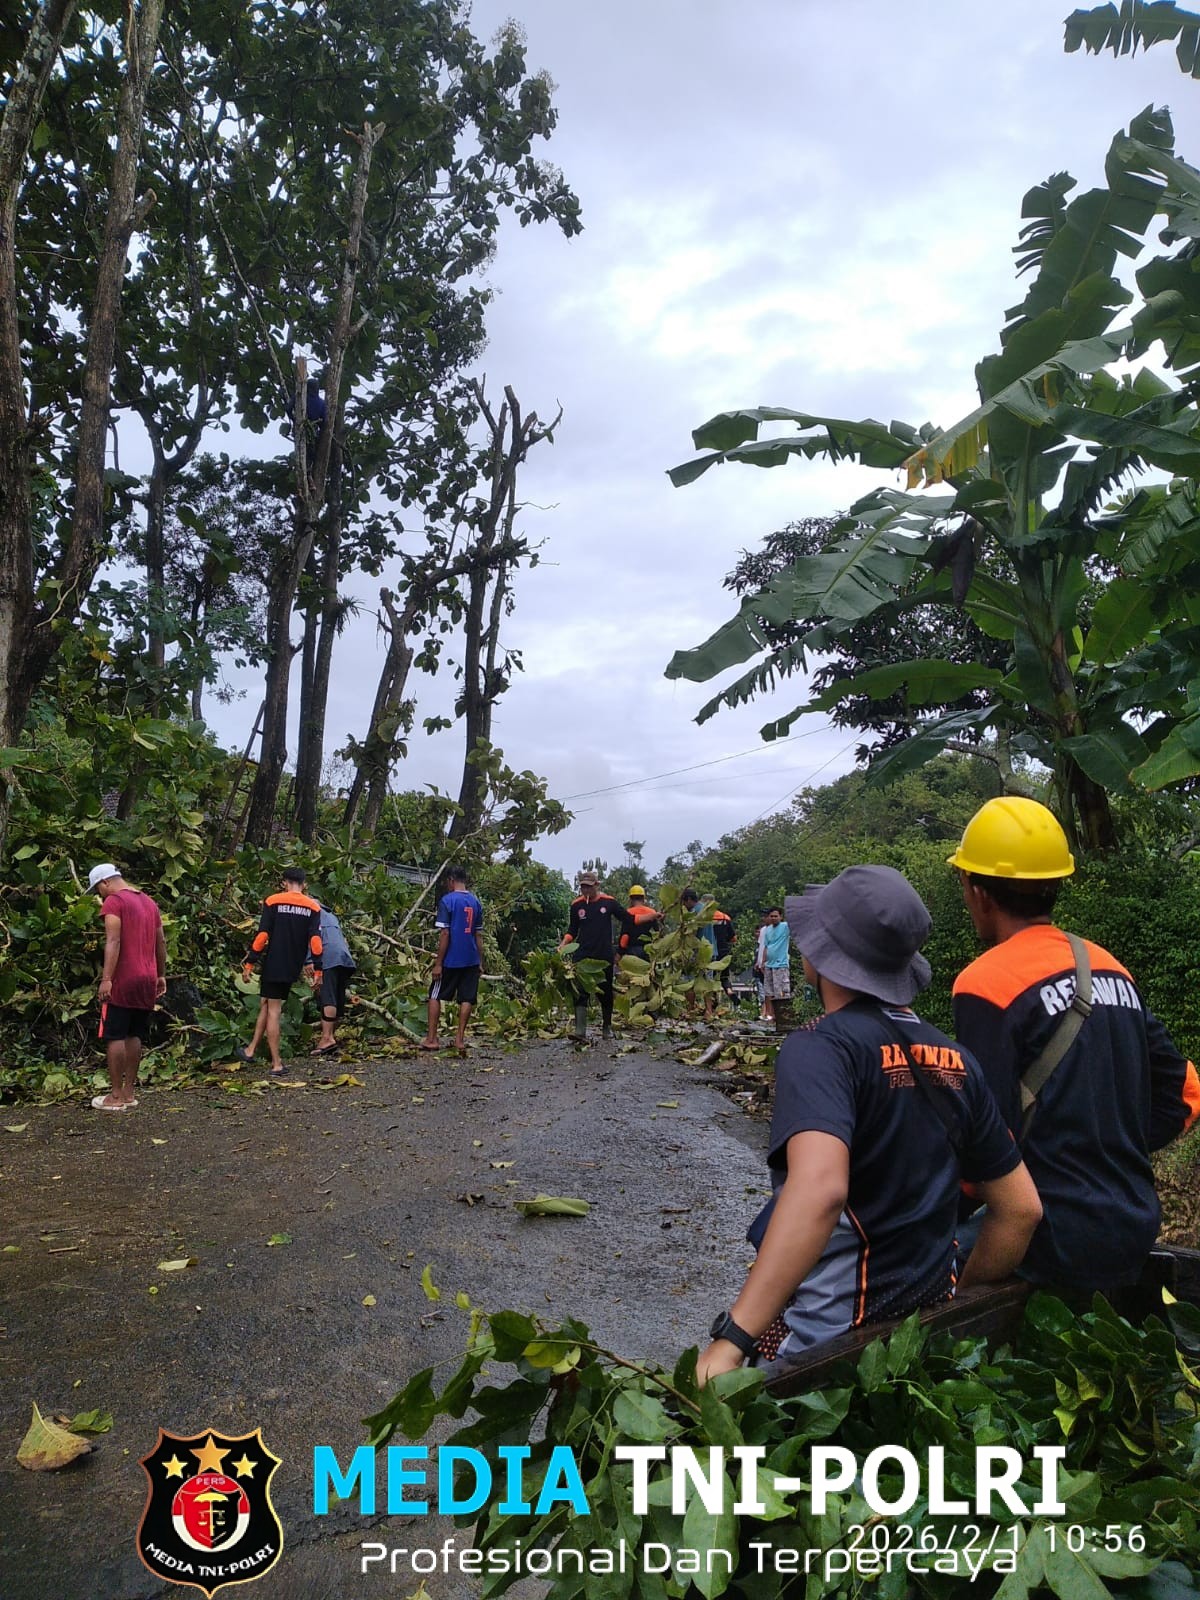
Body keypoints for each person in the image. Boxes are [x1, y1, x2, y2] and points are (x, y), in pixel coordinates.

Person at [696, 865, 1042, 1386]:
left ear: (820, 958)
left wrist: (733, 1340)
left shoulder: (820, 1048)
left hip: (830, 1348)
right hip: (911, 1347)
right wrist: (953, 1304)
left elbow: (820, 1190)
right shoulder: (956, 1060)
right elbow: (1020, 1209)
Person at [949, 796, 1200, 1294]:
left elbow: (986, 1142)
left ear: (979, 893)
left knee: (919, 1271)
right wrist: (1107, 1147)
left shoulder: (985, 983)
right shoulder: (1106, 965)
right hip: (1131, 1225)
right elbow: (1186, 1093)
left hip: (1048, 1238)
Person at [88, 863, 166, 1112]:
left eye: (97, 890)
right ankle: (129, 1092)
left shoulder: (114, 901)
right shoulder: (149, 902)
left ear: (105, 883)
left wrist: (106, 978)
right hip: (147, 976)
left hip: (124, 977)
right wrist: (161, 975)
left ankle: (115, 1096)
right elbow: (161, 941)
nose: (99, 895)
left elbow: (113, 939)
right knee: (134, 1034)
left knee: (115, 1034)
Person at [238, 867, 323, 1077]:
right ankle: (250, 1050)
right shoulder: (313, 907)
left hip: (274, 962)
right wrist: (318, 970)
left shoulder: (273, 901)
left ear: (285, 882)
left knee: (273, 1009)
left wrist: (250, 963)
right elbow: (316, 941)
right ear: (304, 884)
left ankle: (276, 1063)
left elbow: (262, 936)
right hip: (292, 964)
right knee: (266, 1002)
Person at [560, 870, 632, 1043]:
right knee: (580, 992)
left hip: (603, 955)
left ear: (597, 885)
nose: (586, 891)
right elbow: (572, 930)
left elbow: (628, 919)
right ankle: (580, 1031)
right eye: (583, 887)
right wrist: (564, 944)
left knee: (605, 993)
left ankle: (606, 1027)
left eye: (589, 887)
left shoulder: (609, 903)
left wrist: (621, 949)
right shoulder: (576, 905)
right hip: (582, 955)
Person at [421, 867, 484, 1054]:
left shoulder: (447, 901)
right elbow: (478, 935)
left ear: (450, 880)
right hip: (471, 958)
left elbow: (445, 933)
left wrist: (438, 963)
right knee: (466, 998)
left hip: (451, 959)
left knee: (435, 994)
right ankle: (459, 1039)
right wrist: (480, 961)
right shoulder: (475, 902)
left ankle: (432, 1039)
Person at [314, 902, 356, 1058]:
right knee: (337, 995)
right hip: (344, 958)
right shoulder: (331, 916)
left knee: (328, 996)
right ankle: (330, 1036)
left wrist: (309, 963)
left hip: (328, 956)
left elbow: (311, 940)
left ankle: (327, 1038)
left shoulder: (312, 915)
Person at [760, 906, 791, 1022]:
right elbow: (766, 947)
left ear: (780, 917)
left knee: (781, 991)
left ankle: (783, 1016)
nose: (773, 918)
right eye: (771, 916)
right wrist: (763, 962)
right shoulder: (767, 930)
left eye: (775, 916)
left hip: (780, 964)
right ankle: (771, 1015)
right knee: (768, 991)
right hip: (769, 964)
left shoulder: (785, 927)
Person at [618, 885, 661, 961]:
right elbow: (657, 933)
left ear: (630, 899)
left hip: (632, 951)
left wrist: (620, 953)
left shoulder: (628, 913)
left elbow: (625, 936)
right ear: (643, 898)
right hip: (648, 950)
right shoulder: (652, 913)